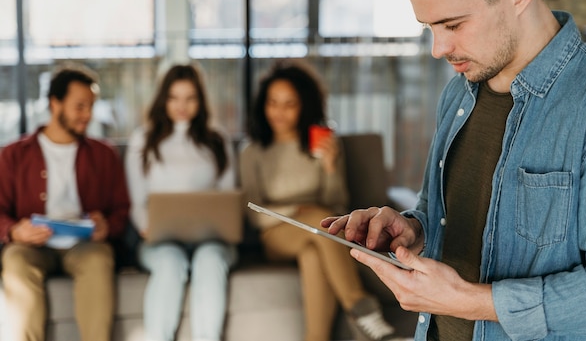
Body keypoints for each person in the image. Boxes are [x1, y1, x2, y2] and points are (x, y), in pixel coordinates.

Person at [322, 0, 586, 340]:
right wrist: (412, 229)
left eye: (452, 24)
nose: (437, 49)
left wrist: (470, 301)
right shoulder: (458, 94)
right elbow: (441, 214)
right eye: (429, 27)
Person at [239, 59, 403, 341]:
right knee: (317, 218)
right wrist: (299, 210)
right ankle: (361, 307)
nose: (278, 112)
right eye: (273, 102)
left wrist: (329, 167)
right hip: (276, 235)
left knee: (314, 252)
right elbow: (255, 214)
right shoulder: (253, 152)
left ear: (304, 106)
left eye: (289, 104)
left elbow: (337, 207)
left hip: (319, 232)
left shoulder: (325, 143)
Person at [0, 66, 130, 341]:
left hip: (84, 246)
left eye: (91, 107)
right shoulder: (13, 155)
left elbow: (121, 209)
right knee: (14, 260)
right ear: (54, 103)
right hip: (33, 246)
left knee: (99, 258)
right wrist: (14, 231)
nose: (87, 115)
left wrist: (108, 226)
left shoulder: (105, 155)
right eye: (79, 106)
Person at [124, 63, 237, 341]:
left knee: (209, 260)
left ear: (200, 100)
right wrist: (146, 227)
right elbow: (137, 202)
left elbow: (228, 197)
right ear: (163, 99)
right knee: (170, 263)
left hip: (212, 239)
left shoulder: (217, 139)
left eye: (190, 98)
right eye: (174, 97)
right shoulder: (143, 141)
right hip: (159, 240)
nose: (181, 106)